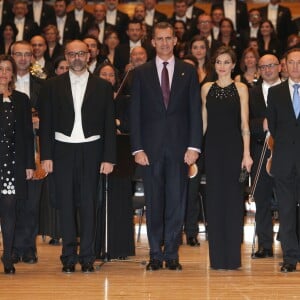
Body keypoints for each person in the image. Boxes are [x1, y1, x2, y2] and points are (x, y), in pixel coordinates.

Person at [39, 40, 116, 274]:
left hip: (92, 150)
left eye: (81, 53)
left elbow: (108, 126)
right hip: (62, 150)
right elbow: (46, 123)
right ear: (66, 56)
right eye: (72, 54)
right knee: (65, 203)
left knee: (89, 203)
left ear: (89, 55)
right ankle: (68, 256)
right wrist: (46, 155)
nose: (77, 58)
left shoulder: (102, 86)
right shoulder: (52, 86)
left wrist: (109, 158)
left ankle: (88, 257)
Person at [130, 22, 202, 271]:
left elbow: (195, 111)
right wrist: (137, 148)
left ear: (175, 41)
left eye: (168, 38)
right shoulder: (141, 73)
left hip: (180, 149)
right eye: (159, 38)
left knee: (177, 202)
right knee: (154, 201)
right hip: (149, 151)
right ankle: (154, 254)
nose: (163, 42)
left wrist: (194, 146)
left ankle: (171, 253)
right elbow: (135, 113)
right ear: (152, 42)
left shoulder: (188, 71)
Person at [201, 46, 253, 270]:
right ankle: (217, 259)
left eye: (226, 62)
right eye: (218, 62)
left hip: (234, 150)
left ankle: (232, 258)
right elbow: (203, 124)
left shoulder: (241, 88)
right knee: (213, 202)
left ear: (233, 65)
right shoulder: (206, 88)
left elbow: (245, 124)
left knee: (233, 202)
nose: (222, 66)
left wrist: (247, 153)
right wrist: (194, 150)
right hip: (211, 150)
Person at [95, 61, 135, 259]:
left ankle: (120, 248)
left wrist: (118, 122)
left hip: (120, 157)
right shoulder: (91, 97)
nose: (108, 78)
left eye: (111, 75)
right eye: (104, 74)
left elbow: (131, 124)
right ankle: (97, 246)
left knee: (119, 200)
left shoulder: (125, 100)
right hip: (96, 155)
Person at [0, 54, 35, 274]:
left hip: (12, 163)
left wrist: (29, 164)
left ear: (13, 74)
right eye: (0, 69)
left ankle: (7, 255)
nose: (3, 73)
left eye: (7, 69)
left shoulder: (22, 99)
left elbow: (26, 135)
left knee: (10, 210)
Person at [266, 47, 300, 272]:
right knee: (286, 211)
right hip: (284, 161)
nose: (296, 66)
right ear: (284, 65)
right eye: (292, 62)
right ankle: (290, 257)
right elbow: (274, 128)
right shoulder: (275, 93)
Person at [249, 54, 281, 259]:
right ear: (258, 70)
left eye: (271, 65)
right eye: (263, 67)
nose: (268, 69)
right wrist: (262, 124)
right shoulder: (251, 93)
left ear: (279, 67)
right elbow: (243, 122)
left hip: (285, 152)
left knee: (288, 199)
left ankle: (290, 242)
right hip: (259, 149)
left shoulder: (291, 89)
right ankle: (265, 245)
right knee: (261, 200)